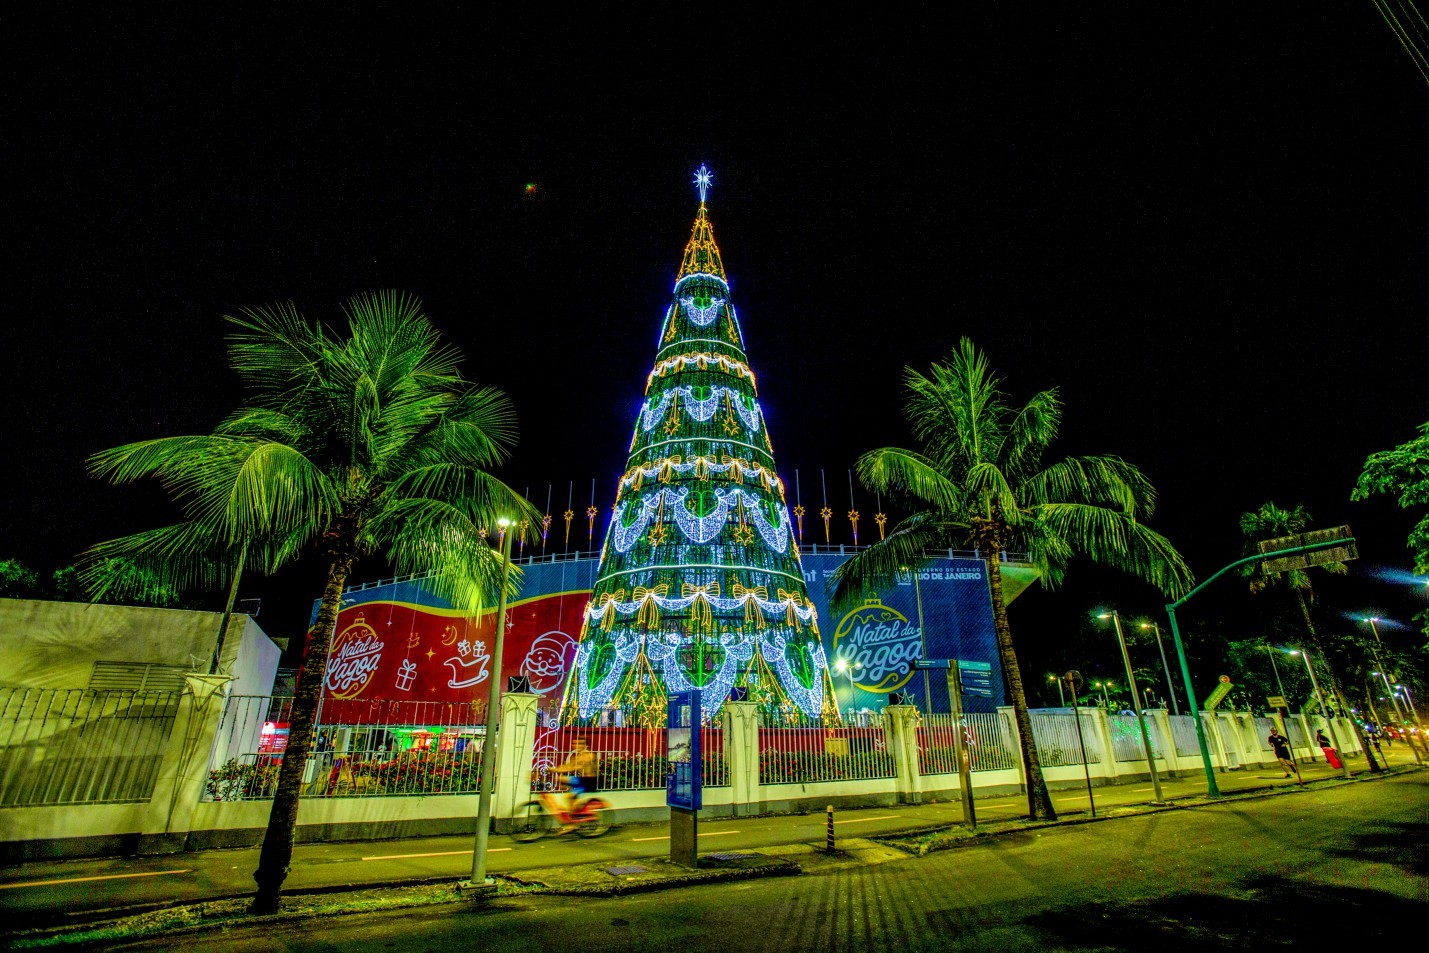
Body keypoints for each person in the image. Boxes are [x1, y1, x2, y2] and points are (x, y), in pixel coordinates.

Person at [553, 738, 598, 833]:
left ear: (586, 745)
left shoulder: (588, 755)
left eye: (579, 744)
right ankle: (574, 804)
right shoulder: (579, 755)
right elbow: (569, 765)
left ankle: (572, 825)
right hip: (581, 779)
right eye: (575, 744)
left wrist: (558, 770)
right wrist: (555, 769)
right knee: (560, 779)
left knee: (570, 797)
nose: (576, 745)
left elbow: (575, 767)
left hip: (588, 781)